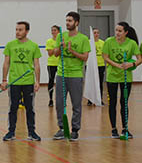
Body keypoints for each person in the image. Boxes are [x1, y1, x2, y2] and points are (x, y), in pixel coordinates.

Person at [1, 21, 42, 141]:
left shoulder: (33, 46)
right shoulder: (10, 45)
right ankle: (11, 132)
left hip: (28, 82)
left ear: (27, 31)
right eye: (16, 29)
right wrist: (4, 79)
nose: (17, 32)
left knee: (30, 108)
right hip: (14, 82)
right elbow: (6, 63)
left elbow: (37, 65)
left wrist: (37, 81)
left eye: (20, 30)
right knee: (13, 107)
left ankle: (32, 132)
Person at [52, 12, 90, 141]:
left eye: (70, 21)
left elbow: (85, 57)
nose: (67, 23)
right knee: (59, 103)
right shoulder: (60, 37)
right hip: (61, 74)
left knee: (76, 104)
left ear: (76, 23)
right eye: (66, 20)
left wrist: (72, 51)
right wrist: (61, 48)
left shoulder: (83, 39)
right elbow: (55, 54)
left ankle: (75, 130)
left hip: (75, 75)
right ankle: (62, 128)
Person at [102, 22, 141, 138]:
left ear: (126, 32)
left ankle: (125, 128)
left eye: (120, 31)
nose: (117, 33)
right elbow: (105, 56)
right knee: (112, 102)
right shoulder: (109, 41)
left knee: (124, 102)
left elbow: (139, 59)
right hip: (112, 77)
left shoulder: (132, 43)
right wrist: (116, 65)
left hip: (126, 78)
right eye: (116, 30)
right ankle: (114, 129)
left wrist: (131, 64)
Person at [88, 28, 105, 106]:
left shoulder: (102, 43)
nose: (96, 34)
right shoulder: (88, 42)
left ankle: (99, 99)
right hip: (91, 66)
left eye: (97, 33)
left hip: (100, 65)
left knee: (100, 83)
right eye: (94, 33)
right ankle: (90, 99)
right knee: (91, 82)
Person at [45, 25, 60, 107]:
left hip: (60, 64)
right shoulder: (49, 41)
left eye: (55, 30)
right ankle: (50, 99)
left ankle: (61, 100)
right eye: (52, 30)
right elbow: (50, 54)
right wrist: (56, 48)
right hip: (51, 64)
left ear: (58, 32)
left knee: (61, 82)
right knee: (51, 80)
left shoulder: (61, 40)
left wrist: (56, 49)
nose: (53, 32)